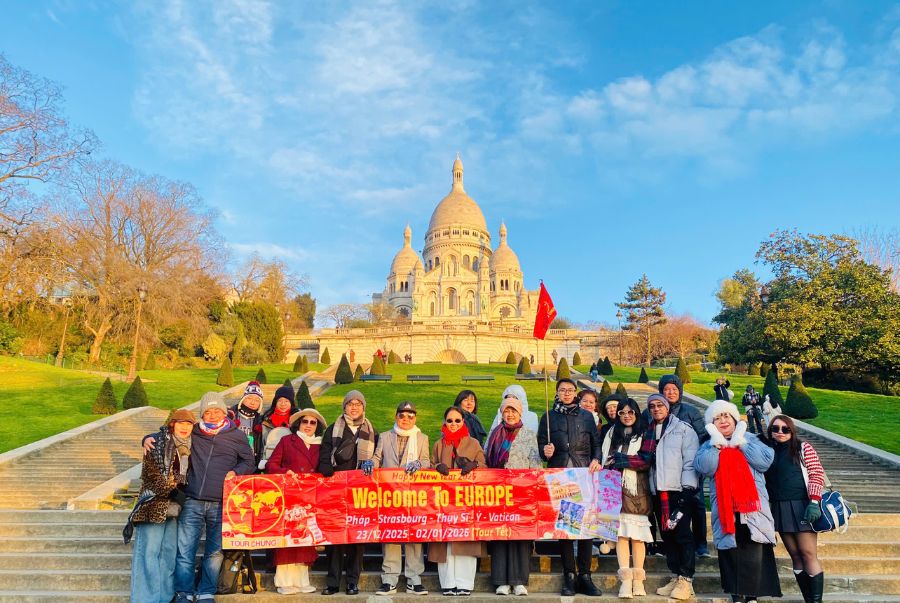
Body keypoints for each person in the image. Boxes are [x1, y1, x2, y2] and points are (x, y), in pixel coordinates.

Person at [146, 393, 256, 603]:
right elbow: (170, 433)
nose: (213, 415)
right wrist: (147, 438)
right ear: (202, 414)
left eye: (217, 411)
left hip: (221, 502)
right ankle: (184, 592)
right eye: (208, 411)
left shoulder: (236, 435)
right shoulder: (194, 431)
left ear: (224, 412)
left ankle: (206, 591)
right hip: (193, 500)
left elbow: (249, 460)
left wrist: (236, 471)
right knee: (185, 551)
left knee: (215, 553)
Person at [694, 400, 781, 603]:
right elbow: (704, 468)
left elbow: (764, 462)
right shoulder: (708, 444)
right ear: (712, 424)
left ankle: (752, 596)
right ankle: (737, 594)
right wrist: (717, 445)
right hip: (726, 508)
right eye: (717, 418)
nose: (723, 421)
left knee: (753, 548)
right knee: (731, 551)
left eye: (726, 416)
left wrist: (741, 443)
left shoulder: (751, 439)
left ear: (734, 419)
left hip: (752, 507)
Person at [538, 378, 603, 597]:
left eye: (570, 390)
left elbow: (596, 443)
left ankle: (585, 575)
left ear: (575, 393)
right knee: (566, 527)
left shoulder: (586, 416)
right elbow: (541, 445)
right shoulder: (548, 417)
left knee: (585, 526)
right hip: (560, 476)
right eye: (562, 390)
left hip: (584, 473)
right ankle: (570, 575)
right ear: (556, 393)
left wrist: (596, 459)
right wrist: (545, 452)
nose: (566, 393)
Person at [127, 409, 195, 603]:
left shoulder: (191, 446)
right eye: (180, 423)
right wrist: (172, 492)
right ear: (172, 423)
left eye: (189, 424)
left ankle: (164, 596)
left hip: (175, 509)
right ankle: (145, 598)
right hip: (153, 505)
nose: (184, 427)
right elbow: (150, 474)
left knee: (168, 554)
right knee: (149, 553)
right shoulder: (156, 442)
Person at [366, 401, 431, 595]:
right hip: (391, 494)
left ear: (415, 418)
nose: (406, 419)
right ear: (396, 417)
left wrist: (419, 463)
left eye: (410, 416)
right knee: (391, 535)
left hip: (413, 495)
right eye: (402, 415)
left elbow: (427, 461)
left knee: (414, 537)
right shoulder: (385, 436)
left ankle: (414, 579)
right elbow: (378, 457)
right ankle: (389, 579)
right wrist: (371, 462)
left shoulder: (422, 438)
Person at [318, 390, 378, 595]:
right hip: (336, 490)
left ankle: (353, 581)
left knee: (357, 539)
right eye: (350, 403)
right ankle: (333, 582)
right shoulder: (333, 429)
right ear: (344, 406)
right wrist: (326, 467)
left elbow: (377, 457)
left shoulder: (371, 431)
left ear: (363, 407)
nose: (354, 407)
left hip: (360, 492)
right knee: (335, 539)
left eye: (358, 404)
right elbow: (325, 452)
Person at [640, 393, 699, 601]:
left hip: (677, 490)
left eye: (660, 405)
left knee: (682, 534)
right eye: (652, 406)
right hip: (657, 491)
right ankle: (676, 575)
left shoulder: (683, 429)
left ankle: (686, 578)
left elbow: (690, 462)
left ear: (667, 407)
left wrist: (688, 489)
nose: (656, 409)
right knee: (667, 535)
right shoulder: (647, 430)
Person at [644, 374, 710, 558]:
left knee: (696, 505)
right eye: (666, 389)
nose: (670, 392)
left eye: (674, 389)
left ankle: (701, 544)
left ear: (680, 391)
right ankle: (663, 545)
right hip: (661, 471)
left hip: (688, 468)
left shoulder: (690, 411)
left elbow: (702, 436)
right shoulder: (651, 411)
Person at [266, 408, 328, 594]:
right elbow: (271, 465)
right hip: (289, 495)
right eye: (305, 421)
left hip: (310, 497)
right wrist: (286, 473)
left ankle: (302, 581)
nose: (308, 425)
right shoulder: (287, 441)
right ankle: (284, 582)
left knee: (305, 539)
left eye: (313, 422)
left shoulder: (320, 445)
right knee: (288, 538)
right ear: (298, 424)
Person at [764, 415, 826, 603]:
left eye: (785, 429)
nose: (780, 432)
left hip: (802, 506)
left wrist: (814, 501)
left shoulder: (803, 447)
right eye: (775, 429)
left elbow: (816, 474)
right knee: (795, 556)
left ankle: (816, 601)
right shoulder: (767, 450)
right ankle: (808, 599)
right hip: (779, 507)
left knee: (808, 553)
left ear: (792, 430)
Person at [484, 395, 542, 596]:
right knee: (500, 535)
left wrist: (533, 485)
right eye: (506, 410)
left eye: (513, 411)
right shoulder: (494, 435)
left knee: (520, 536)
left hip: (522, 493)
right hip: (499, 493)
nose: (509, 414)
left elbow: (535, 463)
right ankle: (501, 581)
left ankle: (518, 581)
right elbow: (486, 461)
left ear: (520, 413)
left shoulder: (527, 434)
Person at [429, 406, 487, 596]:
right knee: (445, 542)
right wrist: (438, 466)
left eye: (457, 420)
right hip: (443, 501)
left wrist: (475, 465)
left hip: (466, 501)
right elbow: (430, 464)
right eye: (449, 420)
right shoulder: (439, 444)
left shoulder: (474, 443)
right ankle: (448, 583)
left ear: (463, 422)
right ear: (444, 422)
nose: (453, 424)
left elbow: (484, 466)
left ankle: (464, 583)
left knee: (465, 540)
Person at [600, 398, 652, 599]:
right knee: (621, 535)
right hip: (613, 488)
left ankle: (638, 579)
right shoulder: (612, 434)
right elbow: (606, 460)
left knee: (637, 536)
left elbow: (645, 461)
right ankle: (625, 579)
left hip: (636, 488)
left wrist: (621, 460)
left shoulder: (644, 433)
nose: (627, 416)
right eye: (622, 413)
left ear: (637, 414)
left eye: (630, 412)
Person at [258, 384, 297, 470]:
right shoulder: (265, 420)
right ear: (275, 402)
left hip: (291, 463)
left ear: (291, 403)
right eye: (280, 401)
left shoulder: (298, 421)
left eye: (286, 401)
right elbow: (261, 444)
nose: (283, 404)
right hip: (269, 461)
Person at [229, 381, 265, 461]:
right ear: (243, 399)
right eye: (249, 398)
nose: (252, 402)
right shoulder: (230, 415)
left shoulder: (261, 420)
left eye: (257, 400)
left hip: (250, 461)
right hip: (231, 459)